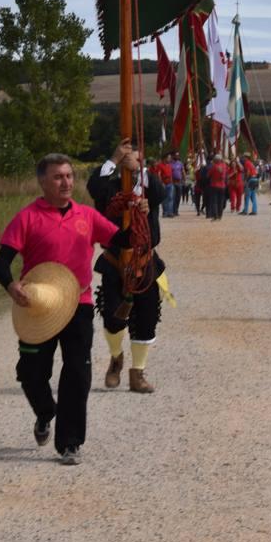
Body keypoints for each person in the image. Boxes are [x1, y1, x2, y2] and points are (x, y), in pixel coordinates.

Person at [0, 154, 125, 465]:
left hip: (78, 303)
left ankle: (69, 443)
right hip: (37, 305)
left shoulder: (87, 215)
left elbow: (122, 240)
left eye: (69, 176)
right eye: (58, 177)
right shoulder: (27, 217)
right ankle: (45, 412)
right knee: (30, 373)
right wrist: (12, 286)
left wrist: (138, 214)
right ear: (42, 181)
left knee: (78, 373)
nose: (66, 182)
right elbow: (2, 262)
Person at [87, 140, 165, 393]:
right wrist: (113, 158)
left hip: (145, 261)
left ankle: (138, 372)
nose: (129, 158)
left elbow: (160, 193)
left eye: (134, 155)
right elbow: (93, 187)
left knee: (147, 317)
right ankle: (115, 359)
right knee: (112, 316)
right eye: (126, 155)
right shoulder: (108, 187)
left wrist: (141, 170)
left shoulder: (147, 186)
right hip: (115, 260)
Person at [207, 154, 229, 220]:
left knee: (215, 202)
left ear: (215, 160)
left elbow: (208, 175)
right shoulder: (224, 166)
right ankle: (220, 216)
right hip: (222, 186)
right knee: (221, 201)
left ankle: (215, 216)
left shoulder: (214, 167)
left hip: (214, 185)